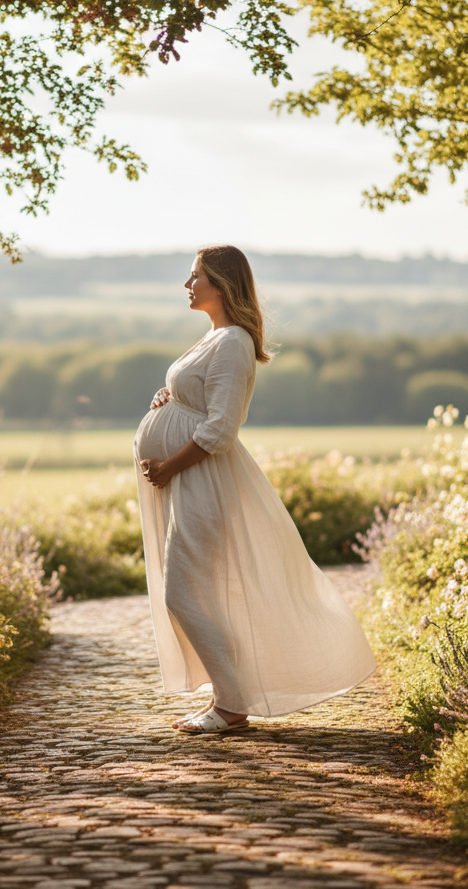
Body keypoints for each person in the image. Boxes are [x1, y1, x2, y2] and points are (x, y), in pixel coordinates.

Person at [134, 245, 376, 734]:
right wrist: (172, 399)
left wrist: (168, 465)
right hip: (187, 479)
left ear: (221, 284)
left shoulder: (233, 342)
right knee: (192, 589)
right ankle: (228, 697)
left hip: (203, 479)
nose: (188, 284)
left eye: (196, 275)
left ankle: (231, 704)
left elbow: (221, 429)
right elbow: (201, 401)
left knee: (183, 591)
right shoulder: (215, 337)